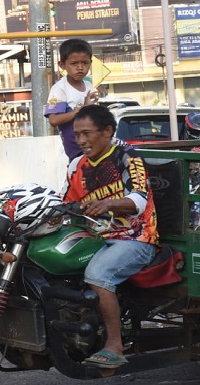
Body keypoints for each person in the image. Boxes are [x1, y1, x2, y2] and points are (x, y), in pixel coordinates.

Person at [58, 105, 159, 369]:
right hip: (96, 236)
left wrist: (109, 204)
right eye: (77, 134)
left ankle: (115, 345)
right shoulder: (76, 164)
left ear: (107, 132)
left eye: (87, 134)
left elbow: (138, 200)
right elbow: (66, 201)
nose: (81, 140)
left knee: (99, 275)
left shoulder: (127, 157)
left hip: (135, 237)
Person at [44, 38, 99, 160]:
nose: (80, 67)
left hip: (94, 149)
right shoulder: (59, 89)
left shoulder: (89, 86)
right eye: (74, 63)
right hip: (77, 153)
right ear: (62, 65)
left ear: (90, 63)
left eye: (85, 63)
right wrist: (81, 110)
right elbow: (53, 120)